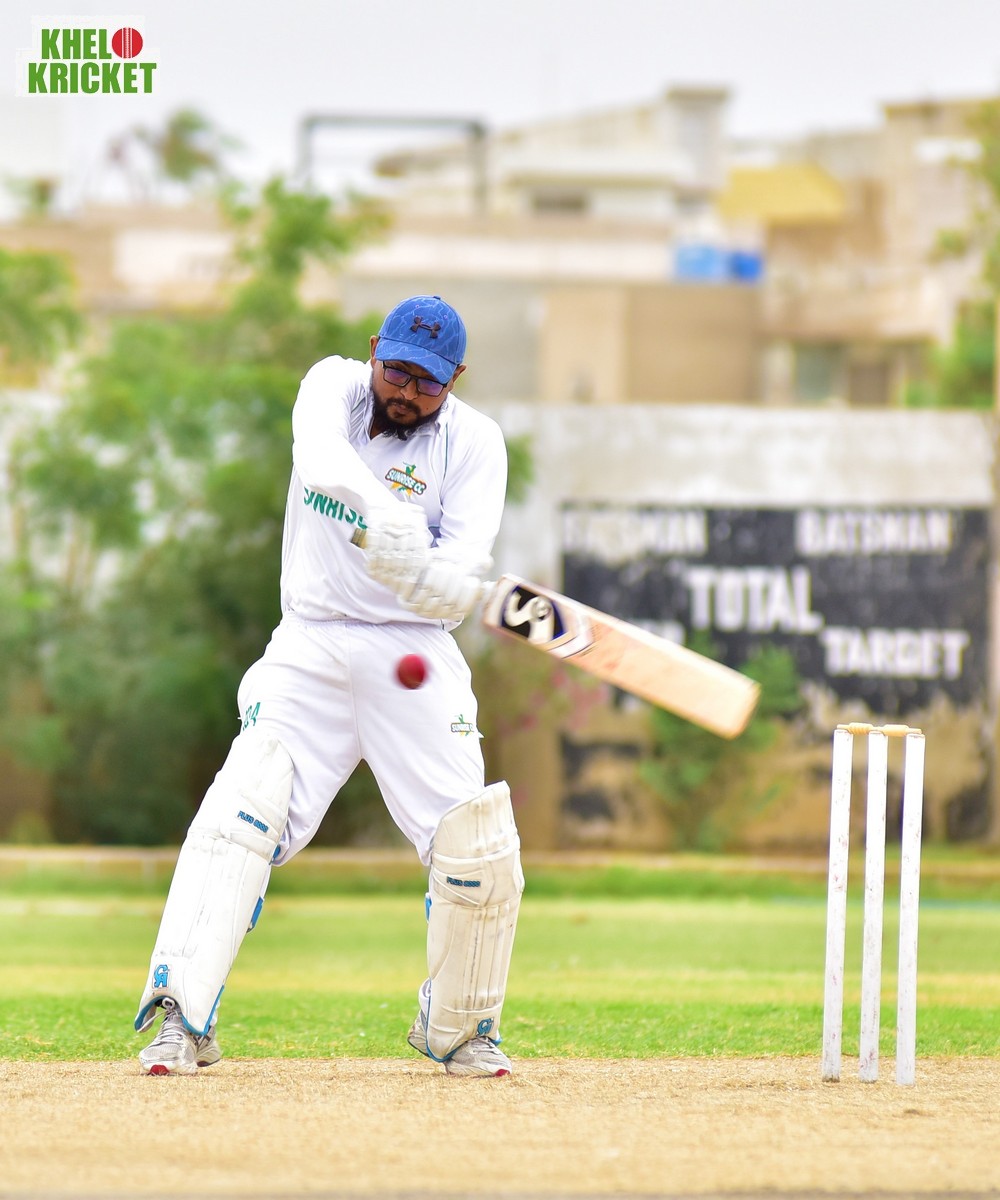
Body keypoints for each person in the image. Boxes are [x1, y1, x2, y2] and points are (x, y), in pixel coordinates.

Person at [134, 295, 523, 1079]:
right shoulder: (331, 386)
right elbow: (319, 460)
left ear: (455, 381)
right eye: (397, 372)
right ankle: (182, 1020)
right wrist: (384, 517)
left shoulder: (477, 442)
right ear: (374, 350)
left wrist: (439, 582)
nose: (406, 392)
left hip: (413, 654)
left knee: (476, 845)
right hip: (309, 642)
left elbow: (463, 561)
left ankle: (461, 1030)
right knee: (238, 813)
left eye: (428, 383)